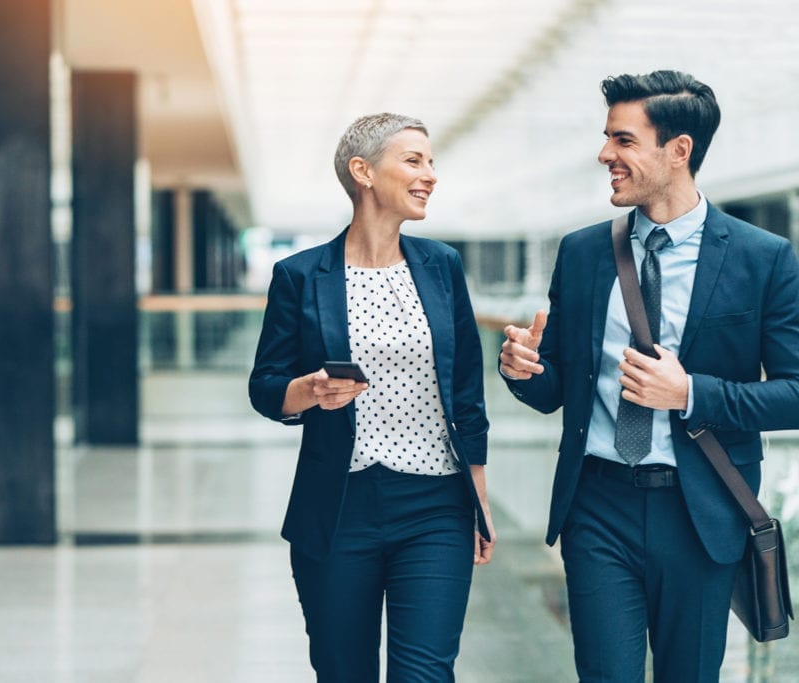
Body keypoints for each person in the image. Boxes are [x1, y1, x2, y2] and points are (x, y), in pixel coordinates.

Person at [499, 70, 799, 682]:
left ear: (678, 150)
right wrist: (522, 371)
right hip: (597, 508)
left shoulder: (763, 258)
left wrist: (690, 393)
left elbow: (794, 394)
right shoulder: (582, 252)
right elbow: (554, 386)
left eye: (624, 140)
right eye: (607, 138)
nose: (605, 153)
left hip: (702, 513)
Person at [249, 112, 495, 682]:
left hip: (436, 504)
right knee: (343, 671)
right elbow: (265, 387)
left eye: (431, 162)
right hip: (338, 507)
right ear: (363, 171)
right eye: (414, 160)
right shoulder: (300, 275)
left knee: (425, 674)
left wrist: (477, 499)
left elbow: (466, 390)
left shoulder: (442, 267)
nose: (430, 174)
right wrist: (307, 391)